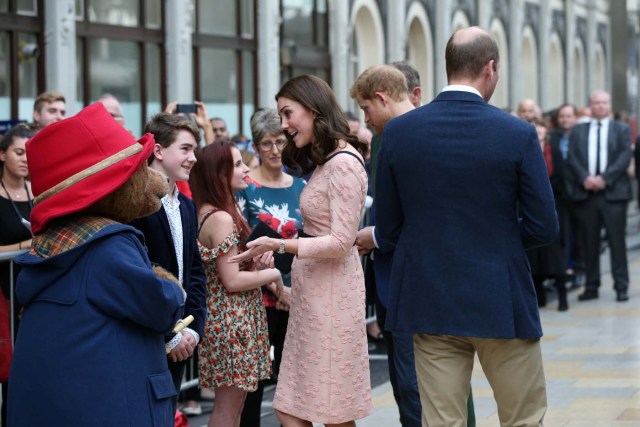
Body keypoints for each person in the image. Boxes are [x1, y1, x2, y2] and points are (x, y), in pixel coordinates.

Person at [376, 26, 558, 426]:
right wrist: (502, 242)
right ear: (490, 68)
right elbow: (545, 226)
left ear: (448, 67)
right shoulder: (517, 133)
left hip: (429, 296)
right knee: (523, 418)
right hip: (501, 296)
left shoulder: (399, 133)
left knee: (442, 422)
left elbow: (387, 227)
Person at [8, 103, 186, 426]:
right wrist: (169, 284)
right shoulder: (108, 246)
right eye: (137, 171)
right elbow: (161, 305)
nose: (154, 182)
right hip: (113, 406)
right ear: (110, 185)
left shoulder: (53, 245)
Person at [230, 74, 372, 426]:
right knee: (292, 406)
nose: (285, 125)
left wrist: (279, 243)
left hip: (332, 297)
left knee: (332, 411)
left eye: (288, 113)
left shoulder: (343, 164)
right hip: (314, 296)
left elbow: (341, 242)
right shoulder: (328, 160)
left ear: (312, 109)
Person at [189, 140, 284, 427]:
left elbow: (229, 270)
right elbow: (231, 280)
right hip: (230, 320)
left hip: (234, 318)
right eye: (238, 164)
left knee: (236, 407)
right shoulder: (220, 217)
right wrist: (274, 275)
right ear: (220, 174)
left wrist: (256, 262)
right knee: (229, 410)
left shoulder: (218, 211)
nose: (246, 169)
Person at [129, 113, 207, 413]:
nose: (193, 158)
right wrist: (169, 334)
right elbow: (138, 275)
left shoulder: (187, 205)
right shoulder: (136, 204)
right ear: (159, 151)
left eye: (194, 150)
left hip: (182, 337)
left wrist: (192, 330)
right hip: (149, 337)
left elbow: (195, 273)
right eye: (185, 149)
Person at [237, 108, 306, 427]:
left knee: (295, 378)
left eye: (280, 141)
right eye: (266, 144)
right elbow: (238, 243)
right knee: (255, 380)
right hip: (256, 292)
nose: (275, 150)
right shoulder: (246, 188)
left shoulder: (302, 186)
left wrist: (288, 289)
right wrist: (274, 285)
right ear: (255, 146)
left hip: (298, 291)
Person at [566, 90, 633, 302]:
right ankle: (591, 285)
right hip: (586, 194)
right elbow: (572, 157)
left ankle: (621, 286)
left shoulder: (621, 129)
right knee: (589, 243)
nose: (600, 106)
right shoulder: (578, 130)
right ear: (590, 105)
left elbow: (624, 156)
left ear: (609, 105)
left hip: (613, 194)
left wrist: (604, 178)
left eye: (604, 103)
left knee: (617, 242)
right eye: (596, 103)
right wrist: (586, 178)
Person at [0, 124, 34, 426]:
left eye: (29, 153)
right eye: (19, 152)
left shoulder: (35, 190)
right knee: (7, 372)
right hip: (2, 295)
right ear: (2, 154)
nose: (25, 159)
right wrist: (26, 244)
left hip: (31, 294)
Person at [527, 118, 569, 311]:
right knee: (534, 257)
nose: (539, 135)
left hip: (555, 206)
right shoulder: (525, 151)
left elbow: (562, 179)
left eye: (541, 132)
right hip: (529, 208)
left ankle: (562, 296)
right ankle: (540, 296)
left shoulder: (555, 153)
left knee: (556, 254)